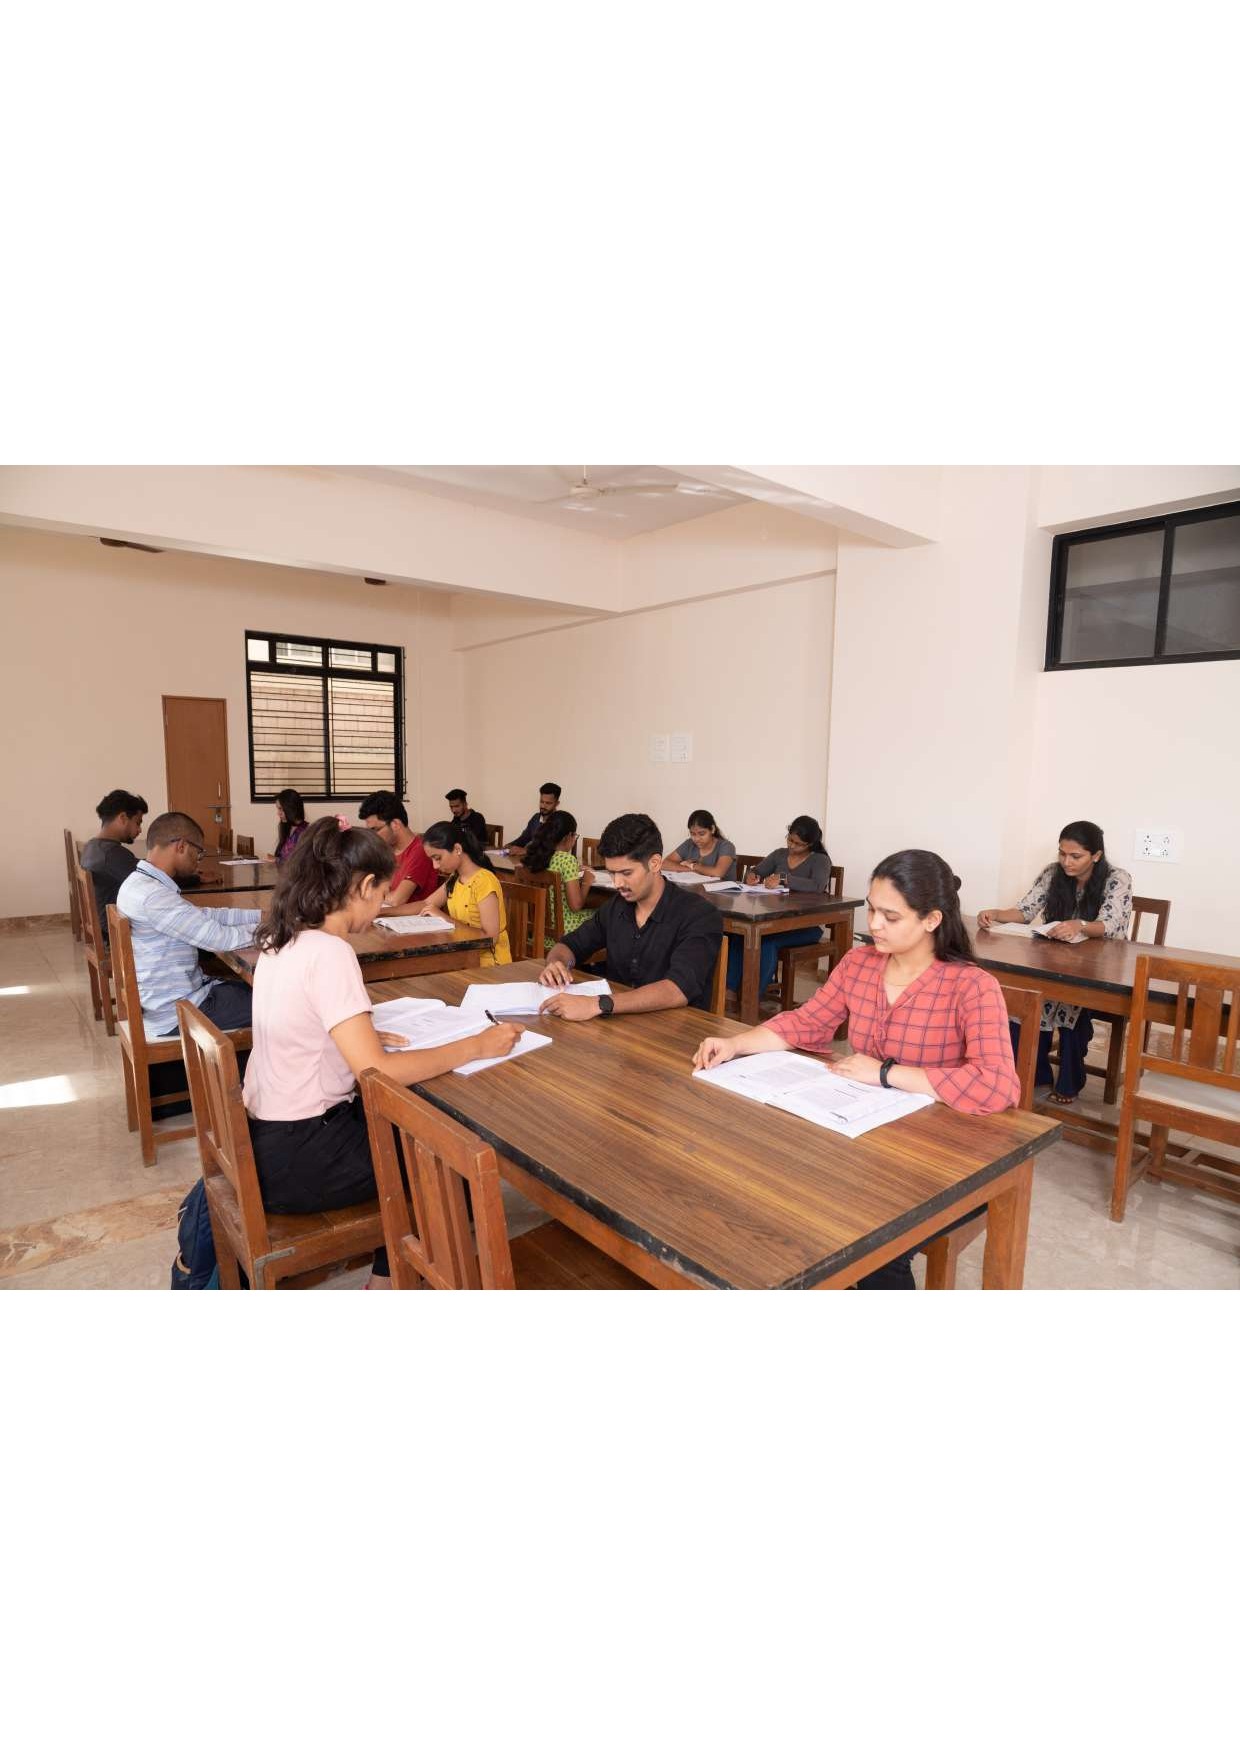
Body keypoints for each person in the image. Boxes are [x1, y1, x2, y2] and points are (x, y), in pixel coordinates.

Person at [695, 848, 1020, 1290]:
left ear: (932, 920)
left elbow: (996, 1084)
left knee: (866, 1241)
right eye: (871, 910)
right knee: (773, 1186)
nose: (874, 924)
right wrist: (736, 1044)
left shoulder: (971, 985)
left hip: (937, 1157)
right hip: (864, 1135)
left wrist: (885, 1073)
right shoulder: (859, 964)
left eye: (891, 916)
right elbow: (806, 1022)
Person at [242, 819, 520, 1288]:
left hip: (266, 1140)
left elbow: (308, 1024)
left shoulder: (281, 936)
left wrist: (357, 1031)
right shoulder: (330, 952)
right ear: (364, 885)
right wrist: (476, 1045)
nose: (380, 907)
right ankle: (392, 1282)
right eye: (383, 893)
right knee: (446, 1157)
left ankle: (390, 1270)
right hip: (303, 1154)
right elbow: (378, 1071)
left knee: (410, 1130)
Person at [977, 819, 1133, 1105]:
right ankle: (1033, 1072)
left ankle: (1069, 1079)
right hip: (1055, 961)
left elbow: (1111, 924)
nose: (1066, 862)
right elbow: (1026, 911)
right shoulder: (1053, 873)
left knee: (1070, 1002)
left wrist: (1080, 925)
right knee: (1023, 998)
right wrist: (996, 913)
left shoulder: (1117, 879)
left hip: (1099, 968)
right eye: (1062, 853)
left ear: (1096, 855)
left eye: (1075, 856)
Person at [116, 811, 259, 1110]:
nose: (198, 861)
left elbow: (203, 916)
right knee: (278, 1003)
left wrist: (262, 916)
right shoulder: (153, 897)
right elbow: (221, 939)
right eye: (198, 852)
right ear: (180, 846)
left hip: (170, 999)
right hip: (179, 1010)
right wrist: (275, 929)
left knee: (255, 991)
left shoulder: (140, 883)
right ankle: (261, 1099)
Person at [538, 813, 723, 1019]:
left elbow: (678, 989)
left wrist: (599, 1004)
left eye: (626, 873)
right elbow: (571, 945)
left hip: (675, 1029)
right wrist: (557, 964)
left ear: (655, 863)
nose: (617, 883)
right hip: (620, 1022)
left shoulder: (699, 915)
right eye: (612, 872)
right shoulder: (616, 907)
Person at [730, 814, 835, 995]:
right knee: (739, 934)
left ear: (810, 843)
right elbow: (757, 870)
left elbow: (818, 886)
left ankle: (752, 997)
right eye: (790, 839)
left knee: (767, 942)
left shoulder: (820, 860)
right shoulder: (780, 854)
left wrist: (784, 878)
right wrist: (752, 876)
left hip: (806, 926)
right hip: (775, 921)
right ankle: (730, 990)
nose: (791, 846)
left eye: (798, 843)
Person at [418, 820, 512, 964]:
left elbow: (490, 938)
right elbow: (426, 904)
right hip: (464, 958)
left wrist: (445, 918)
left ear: (457, 849)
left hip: (489, 965)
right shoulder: (455, 878)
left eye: (438, 858)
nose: (435, 866)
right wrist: (385, 912)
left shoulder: (484, 881)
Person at [517, 809, 595, 947]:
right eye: (575, 835)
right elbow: (576, 906)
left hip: (538, 932)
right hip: (565, 932)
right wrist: (586, 882)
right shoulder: (567, 860)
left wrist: (573, 871)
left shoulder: (535, 857)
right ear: (568, 836)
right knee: (603, 915)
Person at [81, 789, 148, 941]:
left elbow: (138, 868)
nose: (139, 830)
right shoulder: (112, 853)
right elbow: (150, 878)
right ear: (123, 818)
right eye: (137, 822)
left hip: (104, 925)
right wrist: (190, 877)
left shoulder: (92, 846)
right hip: (115, 931)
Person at [357, 790, 436, 908]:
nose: (372, 836)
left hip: (411, 918)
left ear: (395, 824)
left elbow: (396, 900)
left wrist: (370, 894)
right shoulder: (386, 851)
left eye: (376, 830)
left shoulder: (421, 850)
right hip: (386, 915)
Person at [662, 809, 736, 880]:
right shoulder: (689, 843)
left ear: (712, 829)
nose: (697, 839)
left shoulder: (726, 846)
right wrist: (690, 870)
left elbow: (718, 873)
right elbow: (664, 864)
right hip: (696, 887)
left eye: (702, 834)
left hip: (722, 889)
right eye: (693, 834)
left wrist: (693, 866)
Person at [509, 782, 563, 851]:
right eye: (541, 802)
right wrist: (509, 846)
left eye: (548, 803)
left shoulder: (560, 822)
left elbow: (551, 849)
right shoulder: (536, 818)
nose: (543, 806)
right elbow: (524, 839)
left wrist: (526, 851)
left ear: (557, 803)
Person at [272, 788, 308, 861]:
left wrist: (277, 860)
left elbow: (300, 861)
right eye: (278, 809)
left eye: (280, 809)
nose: (278, 813)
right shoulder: (286, 827)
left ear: (291, 808)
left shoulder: (306, 831)